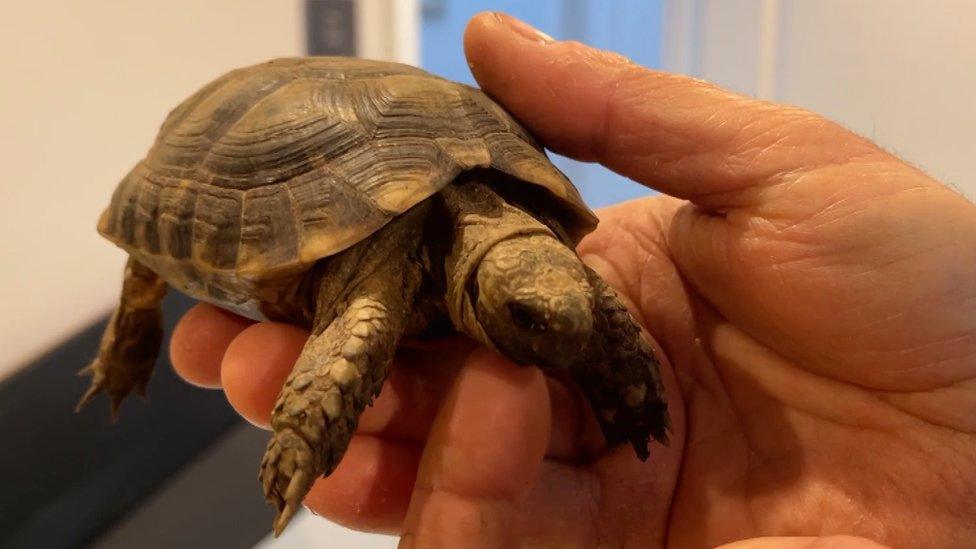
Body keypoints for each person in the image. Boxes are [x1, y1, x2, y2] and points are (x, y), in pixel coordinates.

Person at [169, 12, 976, 548]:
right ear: (485, 289)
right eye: (526, 314)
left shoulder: (559, 282)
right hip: (285, 176)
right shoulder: (382, 281)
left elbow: (582, 309)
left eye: (565, 298)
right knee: (362, 326)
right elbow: (357, 329)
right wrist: (305, 432)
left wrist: (629, 388)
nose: (559, 327)